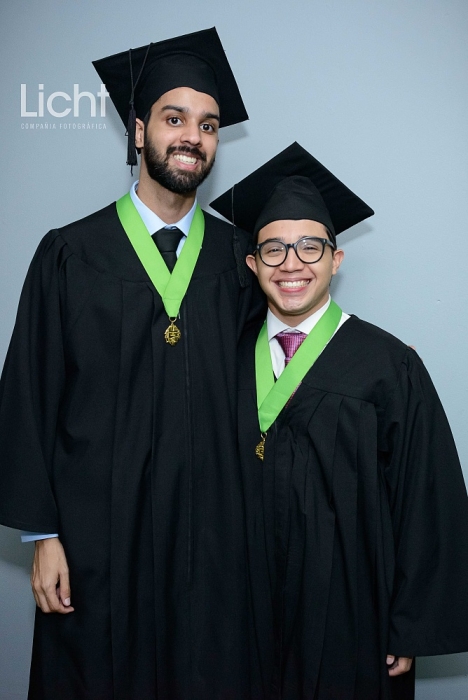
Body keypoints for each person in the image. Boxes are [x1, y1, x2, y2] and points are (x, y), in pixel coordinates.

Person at [0, 28, 261, 700]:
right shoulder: (69, 253)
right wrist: (44, 536)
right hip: (94, 545)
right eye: (175, 119)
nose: (193, 137)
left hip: (211, 539)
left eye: (208, 125)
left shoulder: (239, 263)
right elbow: (28, 396)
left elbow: (274, 384)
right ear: (139, 130)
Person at [210, 142, 468, 700]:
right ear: (253, 264)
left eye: (310, 247)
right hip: (235, 612)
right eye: (273, 249)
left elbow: (426, 497)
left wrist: (408, 623)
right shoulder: (220, 359)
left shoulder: (388, 364)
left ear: (336, 259)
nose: (292, 264)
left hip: (351, 614)